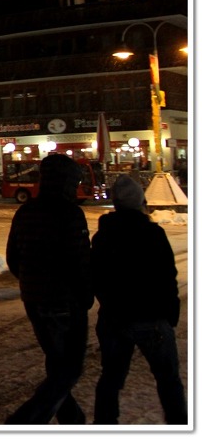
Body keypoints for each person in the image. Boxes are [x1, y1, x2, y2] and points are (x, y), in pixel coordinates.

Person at [4, 153, 93, 424]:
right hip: (65, 300)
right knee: (70, 368)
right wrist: (85, 295)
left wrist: (31, 281)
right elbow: (79, 261)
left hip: (34, 299)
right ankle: (25, 421)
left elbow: (13, 257)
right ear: (66, 182)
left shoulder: (25, 212)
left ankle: (72, 420)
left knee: (57, 361)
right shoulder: (70, 214)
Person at [91, 175, 186, 424]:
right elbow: (167, 276)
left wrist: (109, 304)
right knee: (168, 380)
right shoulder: (152, 234)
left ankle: (104, 426)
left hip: (114, 318)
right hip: (151, 317)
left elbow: (96, 276)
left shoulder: (103, 236)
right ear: (140, 202)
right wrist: (171, 312)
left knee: (111, 379)